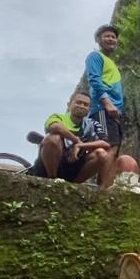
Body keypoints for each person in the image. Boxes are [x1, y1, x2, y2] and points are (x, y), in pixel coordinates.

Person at [30, 91, 114, 188]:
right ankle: (52, 179)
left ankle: (73, 185)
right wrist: (76, 141)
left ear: (89, 109)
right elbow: (54, 127)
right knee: (53, 138)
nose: (82, 106)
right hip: (51, 165)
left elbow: (105, 143)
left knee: (102, 154)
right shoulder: (58, 117)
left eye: (86, 105)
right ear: (69, 104)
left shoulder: (92, 124)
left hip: (74, 166)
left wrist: (80, 145)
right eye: (78, 102)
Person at [85, 24, 125, 155]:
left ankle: (106, 176)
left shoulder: (110, 62)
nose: (111, 39)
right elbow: (94, 80)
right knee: (106, 145)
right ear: (98, 40)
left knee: (114, 147)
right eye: (107, 36)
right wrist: (108, 104)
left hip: (113, 112)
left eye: (113, 37)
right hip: (102, 109)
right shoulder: (95, 56)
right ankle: (100, 176)